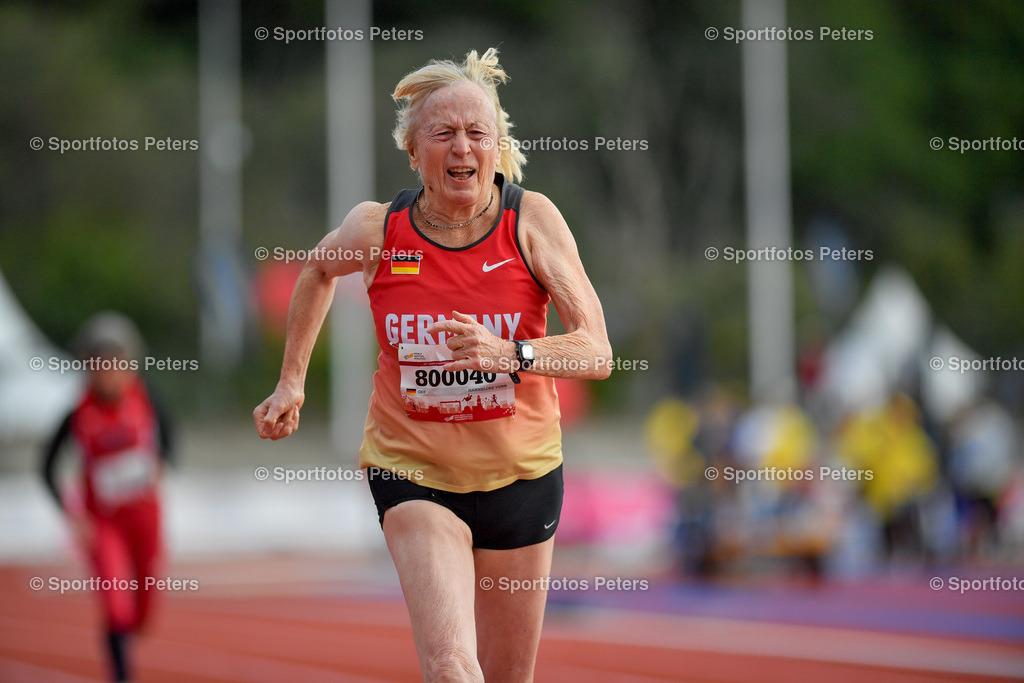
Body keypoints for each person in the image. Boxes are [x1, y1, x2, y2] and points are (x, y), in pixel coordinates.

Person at [254, 47, 612, 681]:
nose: (462, 147)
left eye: (477, 133)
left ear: (497, 147)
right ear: (413, 151)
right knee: (450, 666)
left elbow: (597, 351)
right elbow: (316, 270)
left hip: (521, 478)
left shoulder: (531, 221)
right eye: (443, 133)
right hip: (413, 471)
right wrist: (291, 381)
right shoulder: (378, 230)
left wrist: (508, 353)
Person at [41, 312, 173, 683]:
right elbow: (46, 466)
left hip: (144, 516)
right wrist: (70, 515)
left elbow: (170, 435)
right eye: (100, 364)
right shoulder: (76, 415)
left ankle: (130, 631)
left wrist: (163, 464)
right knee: (116, 605)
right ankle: (120, 674)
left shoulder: (145, 399)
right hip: (102, 522)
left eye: (117, 363)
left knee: (144, 608)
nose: (109, 372)